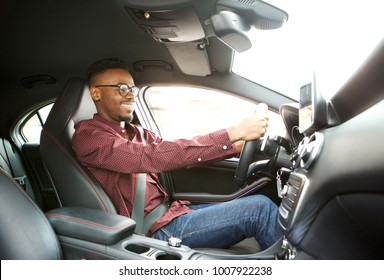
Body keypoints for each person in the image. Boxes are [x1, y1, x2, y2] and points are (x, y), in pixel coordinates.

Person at [72, 57, 282, 250]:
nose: (130, 94)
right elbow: (149, 156)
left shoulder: (135, 131)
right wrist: (231, 133)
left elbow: (175, 153)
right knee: (259, 210)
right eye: (122, 88)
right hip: (153, 231)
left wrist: (234, 147)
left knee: (259, 197)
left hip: (171, 213)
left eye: (133, 88)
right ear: (96, 93)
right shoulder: (88, 137)